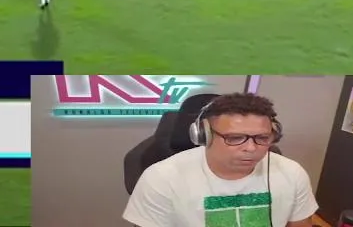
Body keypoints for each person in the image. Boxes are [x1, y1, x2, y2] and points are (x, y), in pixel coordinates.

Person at [124, 93, 317, 227]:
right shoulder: (161, 178)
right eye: (235, 138)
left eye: (262, 138)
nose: (251, 148)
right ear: (205, 136)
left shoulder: (292, 173)